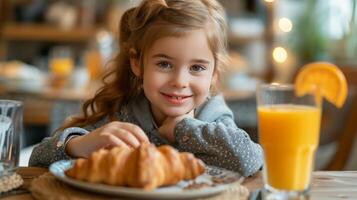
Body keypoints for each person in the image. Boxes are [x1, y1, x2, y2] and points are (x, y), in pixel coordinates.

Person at [29, 0, 263, 177]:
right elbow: (38, 159)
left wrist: (183, 128)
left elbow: (249, 160)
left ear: (214, 75)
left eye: (197, 68)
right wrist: (77, 145)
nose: (180, 81)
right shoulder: (126, 114)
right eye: (164, 64)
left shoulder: (211, 115)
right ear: (137, 63)